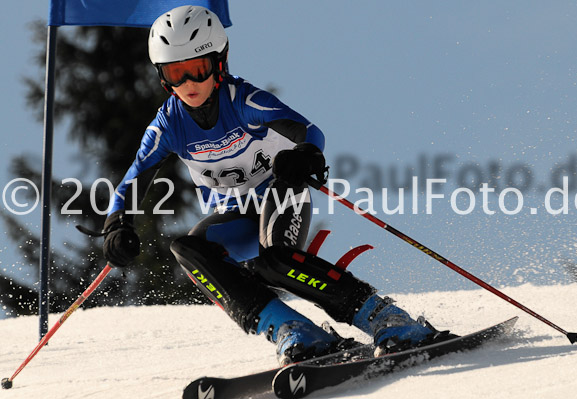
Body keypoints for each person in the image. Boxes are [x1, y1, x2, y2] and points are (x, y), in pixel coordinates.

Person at [102, 5, 455, 366]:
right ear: (163, 77)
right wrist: (116, 224)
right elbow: (134, 179)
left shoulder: (242, 100)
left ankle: (386, 318)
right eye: (175, 73)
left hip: (281, 192)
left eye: (197, 69)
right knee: (188, 248)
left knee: (273, 262)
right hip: (235, 215)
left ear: (219, 63)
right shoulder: (168, 126)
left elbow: (308, 130)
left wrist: (304, 155)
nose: (188, 83)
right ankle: (294, 330)